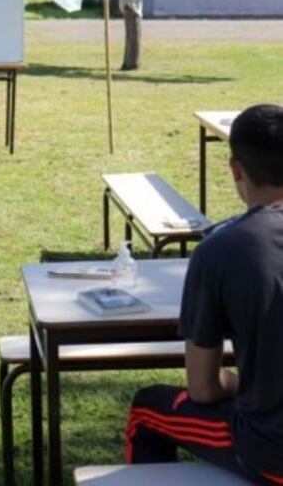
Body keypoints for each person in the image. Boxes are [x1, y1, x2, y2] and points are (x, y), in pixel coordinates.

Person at [126, 104, 283, 483]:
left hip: (270, 451)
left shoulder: (220, 248)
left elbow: (204, 387)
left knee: (147, 409)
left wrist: (237, 381)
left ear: (235, 168)